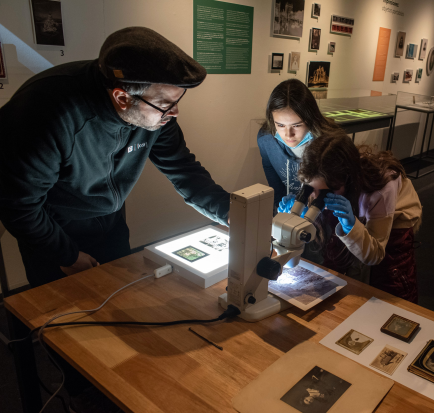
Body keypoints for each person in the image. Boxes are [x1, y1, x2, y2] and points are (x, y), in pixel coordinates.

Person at [0, 27, 230, 412]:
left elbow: (186, 173)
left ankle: (117, 389)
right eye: (165, 105)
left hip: (108, 219)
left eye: (178, 101)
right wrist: (68, 255)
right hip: (51, 228)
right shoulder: (49, 109)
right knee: (69, 328)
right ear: (122, 96)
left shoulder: (154, 112)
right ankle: (78, 396)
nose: (174, 113)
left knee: (118, 310)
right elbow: (18, 204)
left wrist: (239, 216)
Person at [292, 132, 422, 303]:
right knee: (340, 265)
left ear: (348, 180)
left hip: (395, 223)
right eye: (310, 189)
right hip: (353, 201)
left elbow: (375, 254)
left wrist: (351, 226)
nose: (316, 197)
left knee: (386, 282)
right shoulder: (319, 174)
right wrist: (297, 213)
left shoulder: (382, 188)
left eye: (325, 192)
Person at [258, 79, 342, 215]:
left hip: (322, 215)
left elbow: (337, 188)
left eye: (296, 125)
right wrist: (282, 210)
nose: (288, 134)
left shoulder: (330, 143)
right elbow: (271, 172)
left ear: (311, 119)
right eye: (280, 125)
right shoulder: (266, 140)